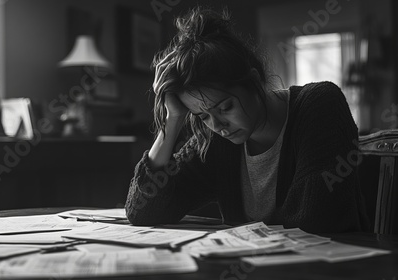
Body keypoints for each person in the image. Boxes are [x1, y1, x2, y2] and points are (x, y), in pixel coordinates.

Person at [125, 7, 369, 233]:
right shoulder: (217, 141)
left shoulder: (319, 104)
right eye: (202, 116)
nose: (217, 125)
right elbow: (143, 211)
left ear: (254, 82)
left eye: (225, 107)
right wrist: (172, 122)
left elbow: (314, 221)